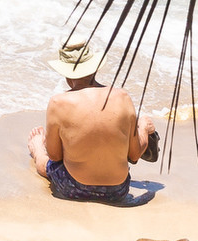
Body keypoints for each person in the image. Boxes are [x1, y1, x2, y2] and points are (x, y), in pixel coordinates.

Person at [28, 37, 160, 206]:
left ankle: (36, 148)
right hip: (118, 190)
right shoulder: (123, 97)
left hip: (74, 188)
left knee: (46, 163)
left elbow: (55, 156)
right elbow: (134, 155)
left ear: (67, 75)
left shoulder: (57, 103)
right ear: (94, 69)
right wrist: (143, 128)